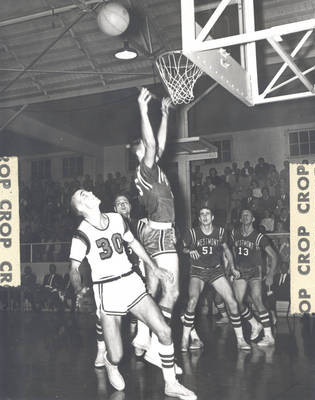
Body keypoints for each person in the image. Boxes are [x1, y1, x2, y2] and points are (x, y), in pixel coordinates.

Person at [69, 189, 196, 400]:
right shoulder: (81, 233)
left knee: (164, 330)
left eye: (88, 191)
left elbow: (134, 243)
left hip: (130, 281)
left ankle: (171, 384)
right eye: (83, 195)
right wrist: (78, 290)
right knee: (117, 354)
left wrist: (154, 267)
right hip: (107, 289)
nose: (90, 192)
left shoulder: (117, 219)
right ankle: (111, 363)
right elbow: (74, 268)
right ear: (81, 208)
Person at [129, 88, 180, 366]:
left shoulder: (153, 169)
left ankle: (143, 334)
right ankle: (155, 346)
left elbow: (157, 143)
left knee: (154, 288)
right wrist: (143, 109)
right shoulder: (145, 169)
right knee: (171, 291)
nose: (155, 150)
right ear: (140, 153)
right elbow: (151, 146)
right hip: (159, 233)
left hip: (156, 232)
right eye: (147, 149)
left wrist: (164, 114)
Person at [181, 206, 251, 351]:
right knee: (192, 301)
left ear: (212, 217)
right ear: (199, 218)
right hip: (198, 271)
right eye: (202, 214)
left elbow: (227, 250)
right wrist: (190, 250)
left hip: (215, 271)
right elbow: (183, 248)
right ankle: (184, 339)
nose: (205, 216)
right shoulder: (192, 233)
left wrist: (232, 267)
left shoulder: (220, 232)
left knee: (232, 301)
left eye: (207, 213)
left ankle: (241, 339)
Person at [94, 194, 144, 368]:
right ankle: (101, 350)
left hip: (134, 271)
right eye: (118, 204)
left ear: (130, 206)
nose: (122, 205)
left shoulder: (139, 224)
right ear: (114, 209)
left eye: (125, 202)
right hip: (111, 275)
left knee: (142, 308)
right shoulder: (107, 223)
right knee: (104, 315)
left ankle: (139, 341)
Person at [231, 209, 277, 346]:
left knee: (257, 300)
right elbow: (232, 250)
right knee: (237, 303)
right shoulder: (235, 233)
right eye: (243, 215)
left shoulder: (258, 237)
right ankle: (255, 324)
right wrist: (231, 266)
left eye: (248, 215)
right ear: (240, 219)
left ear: (253, 219)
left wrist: (270, 274)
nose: (245, 217)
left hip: (255, 271)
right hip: (240, 270)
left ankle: (269, 336)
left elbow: (274, 256)